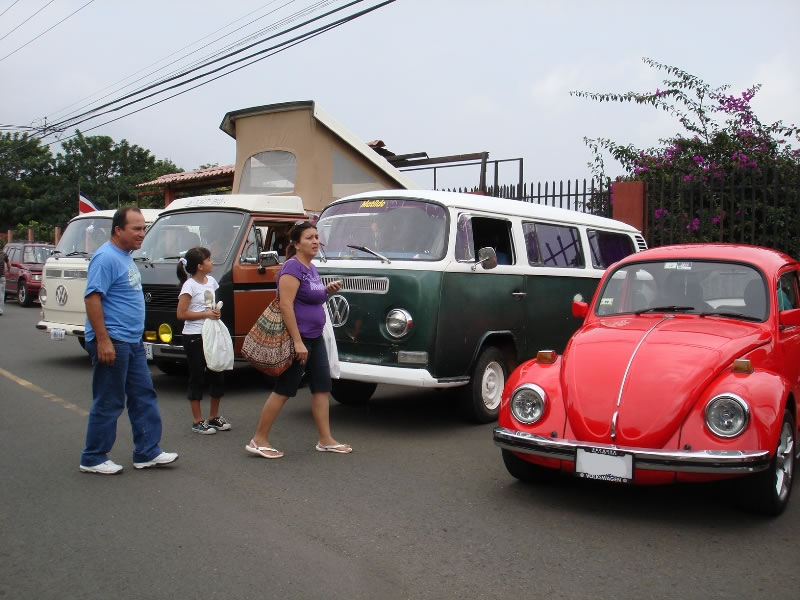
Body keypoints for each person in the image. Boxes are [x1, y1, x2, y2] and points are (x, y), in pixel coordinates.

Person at [79, 206, 178, 475]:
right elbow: (92, 299)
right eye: (136, 229)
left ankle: (147, 452)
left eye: (144, 228)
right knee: (109, 400)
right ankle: (93, 457)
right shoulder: (106, 258)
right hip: (114, 340)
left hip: (131, 341)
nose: (142, 233)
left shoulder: (125, 256)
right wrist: (103, 340)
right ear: (118, 230)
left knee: (143, 395)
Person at [246, 222, 350, 459]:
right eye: (309, 238)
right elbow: (285, 304)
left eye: (317, 237)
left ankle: (326, 440)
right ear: (296, 243)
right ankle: (258, 439)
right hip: (299, 338)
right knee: (284, 389)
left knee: (322, 387)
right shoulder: (292, 268)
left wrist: (326, 290)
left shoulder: (311, 268)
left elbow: (311, 297)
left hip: (315, 336)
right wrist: (297, 342)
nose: (315, 241)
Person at [176, 247, 230, 434]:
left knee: (217, 372)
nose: (212, 262)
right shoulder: (189, 286)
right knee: (197, 375)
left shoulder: (212, 282)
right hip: (194, 336)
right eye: (208, 260)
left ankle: (213, 417)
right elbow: (181, 314)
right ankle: (197, 420)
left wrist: (215, 312)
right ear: (199, 266)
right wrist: (206, 314)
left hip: (211, 332)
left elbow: (210, 306)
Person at [0, 242, 8, 315]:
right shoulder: (4, 254)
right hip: (2, 277)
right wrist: (8, 270)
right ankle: (0, 310)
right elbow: (9, 265)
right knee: (1, 294)